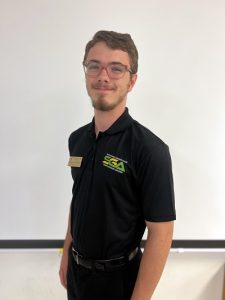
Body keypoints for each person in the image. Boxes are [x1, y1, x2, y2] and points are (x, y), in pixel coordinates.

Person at [59, 30, 176, 300]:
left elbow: (162, 232)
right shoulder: (77, 139)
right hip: (78, 276)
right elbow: (78, 198)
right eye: (94, 66)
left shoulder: (150, 150)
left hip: (119, 282)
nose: (103, 76)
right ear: (86, 72)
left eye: (116, 68)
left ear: (132, 81)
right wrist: (67, 252)